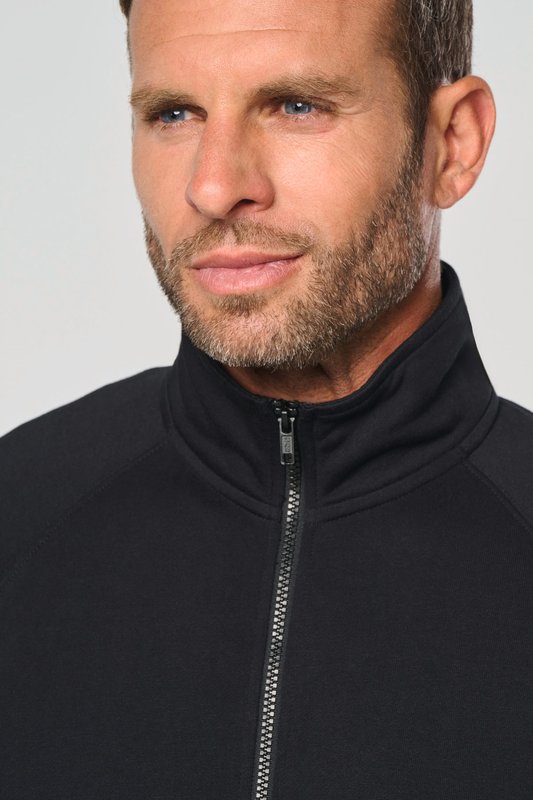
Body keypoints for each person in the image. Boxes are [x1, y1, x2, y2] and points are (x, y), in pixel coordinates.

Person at [1, 0, 533, 797]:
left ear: (452, 144)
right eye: (173, 113)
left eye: (295, 106)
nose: (213, 186)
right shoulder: (18, 509)